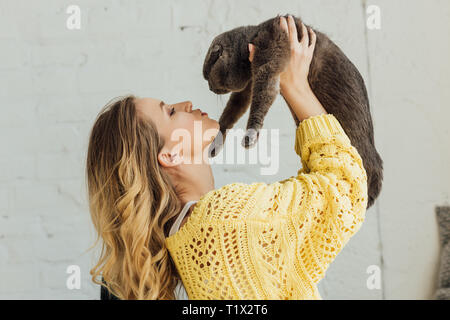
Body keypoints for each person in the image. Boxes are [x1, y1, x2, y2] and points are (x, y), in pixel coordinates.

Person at [87, 15, 368, 300]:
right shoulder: (223, 221)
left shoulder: (185, 242)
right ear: (169, 155)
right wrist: (295, 85)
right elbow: (346, 189)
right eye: (170, 112)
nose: (185, 104)